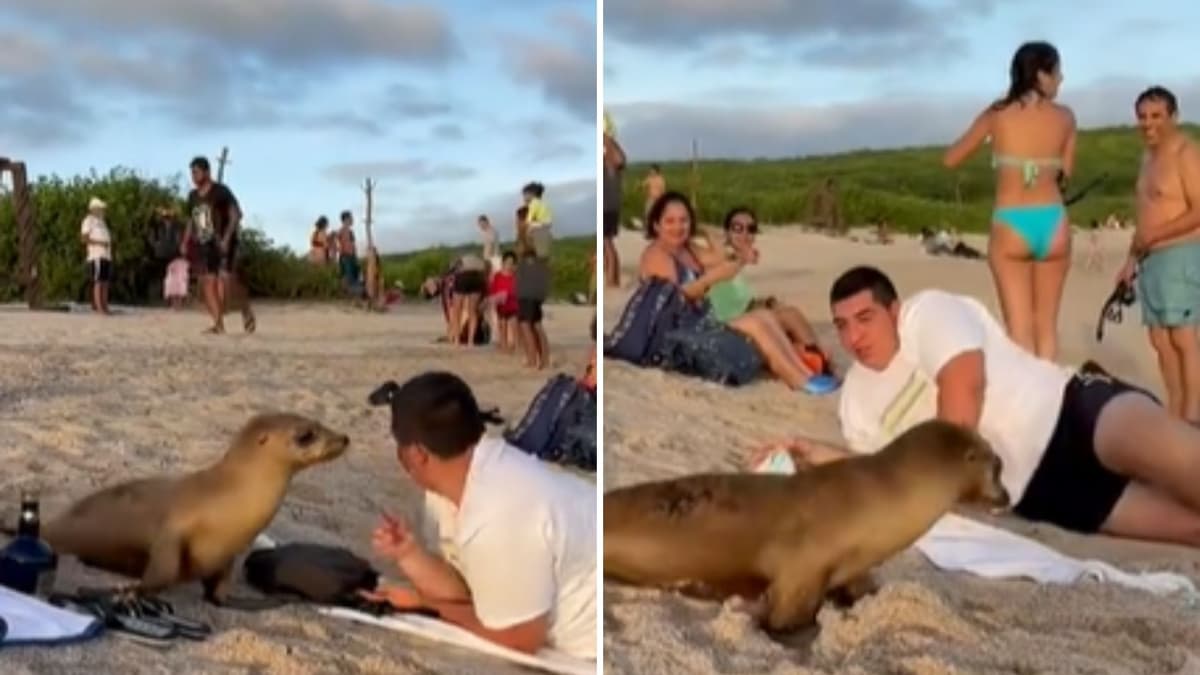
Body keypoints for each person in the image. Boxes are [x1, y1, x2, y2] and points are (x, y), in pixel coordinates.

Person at [750, 265, 1200, 548]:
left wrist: (939, 484)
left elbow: (964, 386)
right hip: (1038, 491)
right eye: (842, 326)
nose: (854, 338)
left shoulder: (927, 313)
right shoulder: (855, 401)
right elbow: (883, 470)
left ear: (894, 310)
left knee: (1185, 463)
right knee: (1190, 528)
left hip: (1073, 412)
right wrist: (818, 455)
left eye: (865, 319)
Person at [363, 372, 596, 659]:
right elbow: (464, 594)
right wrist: (409, 555)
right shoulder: (457, 487)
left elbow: (520, 638)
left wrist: (423, 606)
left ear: (416, 455)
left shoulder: (497, 509)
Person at [943, 41, 1076, 361]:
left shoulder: (997, 113)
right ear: (1040, 75)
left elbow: (951, 158)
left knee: (1019, 330)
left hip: (1012, 220)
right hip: (1053, 220)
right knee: (1047, 327)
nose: (1061, 79)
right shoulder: (1066, 117)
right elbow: (1067, 172)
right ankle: (1049, 391)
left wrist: (999, 150)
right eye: (1057, 72)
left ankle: (1025, 392)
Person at [638, 191, 822, 391]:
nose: (677, 227)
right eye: (670, 221)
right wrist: (711, 279)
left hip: (699, 325)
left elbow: (719, 257)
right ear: (656, 225)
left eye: (684, 220)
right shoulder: (656, 254)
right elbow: (672, 301)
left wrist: (703, 229)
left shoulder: (687, 248)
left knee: (764, 316)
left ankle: (807, 373)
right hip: (676, 338)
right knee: (755, 322)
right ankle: (799, 380)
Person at [1118, 86, 1200, 424]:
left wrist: (1156, 235)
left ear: (1173, 117)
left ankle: (1193, 418)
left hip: (1181, 254)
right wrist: (1129, 262)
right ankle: (1175, 414)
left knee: (1183, 337)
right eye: (1142, 117)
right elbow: (1145, 216)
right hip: (1150, 260)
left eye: (1156, 116)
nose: (1148, 123)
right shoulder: (1147, 158)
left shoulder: (1186, 153)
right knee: (1160, 341)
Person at [702, 207, 835, 375]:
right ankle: (817, 362)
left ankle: (817, 357)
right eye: (737, 228)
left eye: (750, 229)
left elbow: (739, 302)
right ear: (727, 233)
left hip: (749, 320)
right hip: (729, 328)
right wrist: (740, 258)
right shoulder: (717, 257)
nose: (745, 234)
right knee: (788, 319)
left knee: (788, 317)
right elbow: (720, 262)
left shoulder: (738, 266)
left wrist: (768, 302)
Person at [182, 156, 256, 334]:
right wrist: (185, 241)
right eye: (192, 173)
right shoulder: (193, 196)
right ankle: (218, 324)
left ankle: (244, 307)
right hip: (204, 243)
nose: (194, 176)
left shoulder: (220, 191)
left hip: (223, 241)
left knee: (228, 281)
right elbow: (191, 220)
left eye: (197, 172)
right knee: (208, 282)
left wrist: (227, 239)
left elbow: (236, 215)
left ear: (207, 172)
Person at [515, 249, 551, 369]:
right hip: (536, 300)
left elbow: (518, 283)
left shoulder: (524, 267)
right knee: (537, 326)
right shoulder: (542, 268)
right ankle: (544, 358)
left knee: (526, 327)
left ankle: (532, 359)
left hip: (526, 299)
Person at [80, 196, 112, 315]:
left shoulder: (102, 222)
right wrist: (100, 243)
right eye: (100, 208)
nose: (102, 211)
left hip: (106, 255)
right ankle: (99, 307)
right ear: (94, 209)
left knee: (105, 281)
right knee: (98, 281)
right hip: (96, 255)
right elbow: (84, 238)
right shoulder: (89, 220)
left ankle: (105, 305)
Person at [603, 125, 626, 288]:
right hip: (607, 206)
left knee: (607, 243)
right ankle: (611, 277)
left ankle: (612, 280)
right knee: (606, 244)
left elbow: (619, 159)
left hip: (607, 207)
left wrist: (607, 138)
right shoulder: (606, 163)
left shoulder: (611, 164)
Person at [488, 251, 519, 352]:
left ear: (515, 265)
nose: (509, 266)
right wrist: (493, 299)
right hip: (501, 305)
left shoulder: (516, 276)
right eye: (507, 263)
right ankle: (504, 345)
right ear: (503, 263)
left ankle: (516, 345)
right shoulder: (497, 276)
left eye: (511, 264)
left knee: (514, 325)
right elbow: (492, 289)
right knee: (502, 324)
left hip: (513, 304)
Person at [522, 182, 553, 260]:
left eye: (525, 194)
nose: (524, 197)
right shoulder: (542, 203)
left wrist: (528, 226)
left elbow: (529, 218)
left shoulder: (533, 203)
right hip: (547, 224)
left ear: (532, 194)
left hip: (541, 224)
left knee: (529, 227)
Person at [337, 210, 360, 292]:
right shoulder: (342, 231)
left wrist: (355, 255)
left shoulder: (350, 231)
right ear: (346, 219)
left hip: (351, 255)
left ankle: (349, 291)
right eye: (351, 218)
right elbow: (343, 243)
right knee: (347, 275)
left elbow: (352, 244)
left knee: (353, 274)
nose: (352, 219)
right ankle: (347, 292)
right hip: (346, 255)